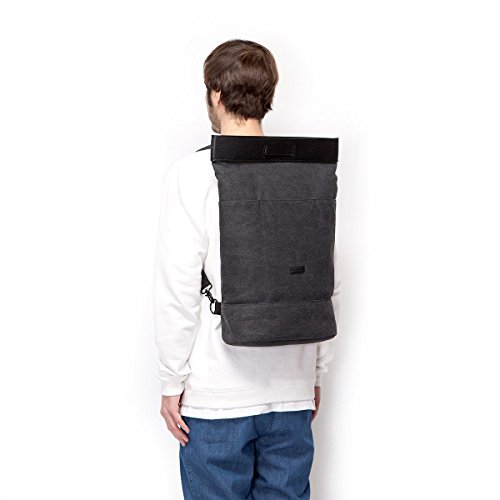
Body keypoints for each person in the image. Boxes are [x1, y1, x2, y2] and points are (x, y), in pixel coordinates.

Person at [153, 39, 341, 500]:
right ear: (267, 95)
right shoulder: (308, 171)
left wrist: (171, 380)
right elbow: (326, 280)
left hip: (218, 397)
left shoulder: (193, 174)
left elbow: (177, 288)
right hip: (291, 389)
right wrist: (315, 374)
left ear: (216, 93)